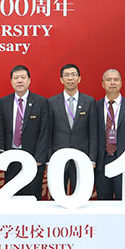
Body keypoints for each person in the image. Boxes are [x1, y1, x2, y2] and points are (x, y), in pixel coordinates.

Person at [0, 65, 51, 199]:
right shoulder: (4, 102)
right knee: (11, 198)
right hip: (11, 158)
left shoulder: (41, 102)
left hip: (33, 160)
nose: (19, 81)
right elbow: (1, 131)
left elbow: (45, 132)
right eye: (16, 78)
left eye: (23, 77)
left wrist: (39, 158)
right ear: (11, 81)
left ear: (29, 80)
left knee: (31, 198)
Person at [48, 63, 98, 194]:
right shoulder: (52, 102)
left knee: (80, 194)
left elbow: (93, 133)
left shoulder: (89, 102)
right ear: (61, 79)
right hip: (58, 156)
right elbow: (48, 133)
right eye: (66, 75)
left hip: (82, 157)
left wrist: (92, 158)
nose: (70, 78)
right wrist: (49, 159)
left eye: (73, 75)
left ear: (79, 78)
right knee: (57, 195)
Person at [95, 68, 125, 200]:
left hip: (124, 160)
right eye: (109, 80)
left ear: (121, 83)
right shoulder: (95, 106)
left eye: (116, 80)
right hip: (102, 161)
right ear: (103, 84)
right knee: (103, 202)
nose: (112, 83)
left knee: (124, 199)